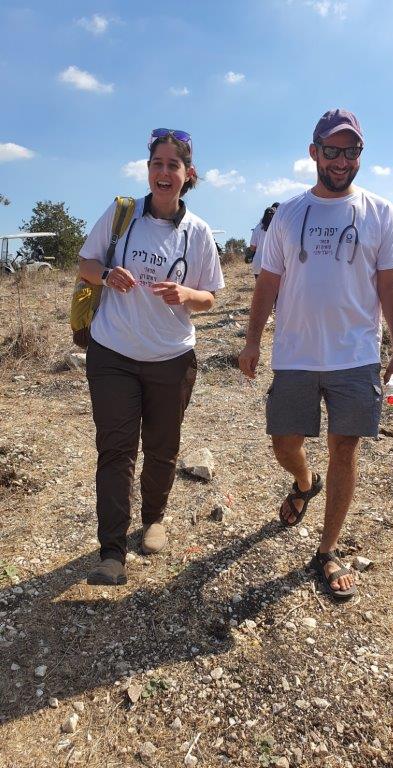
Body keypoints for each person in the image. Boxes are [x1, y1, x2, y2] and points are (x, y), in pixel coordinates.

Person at [239, 109, 393, 600]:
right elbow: (267, 282)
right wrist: (252, 340)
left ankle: (327, 549)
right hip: (295, 354)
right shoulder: (289, 213)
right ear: (314, 152)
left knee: (345, 449)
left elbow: (392, 285)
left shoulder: (379, 211)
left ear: (360, 154)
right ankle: (303, 482)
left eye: (351, 150)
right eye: (332, 150)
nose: (341, 160)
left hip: (355, 356)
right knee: (283, 443)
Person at [79, 128, 225, 586]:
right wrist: (106, 274)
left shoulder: (197, 232)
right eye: (156, 164)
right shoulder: (121, 214)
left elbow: (211, 297)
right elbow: (85, 264)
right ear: (148, 170)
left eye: (172, 165)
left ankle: (154, 519)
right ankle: (111, 552)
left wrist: (186, 294)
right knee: (116, 449)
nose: (164, 173)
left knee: (162, 447)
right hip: (113, 352)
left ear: (188, 174)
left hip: (171, 358)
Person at [248, 206, 277, 279]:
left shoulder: (257, 228)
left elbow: (252, 247)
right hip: (273, 264)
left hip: (258, 264)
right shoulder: (276, 228)